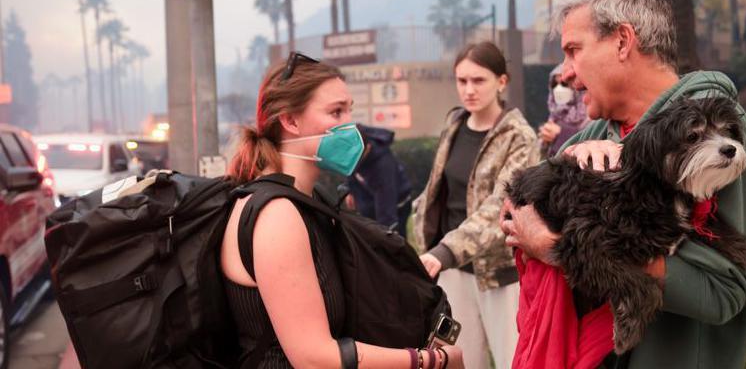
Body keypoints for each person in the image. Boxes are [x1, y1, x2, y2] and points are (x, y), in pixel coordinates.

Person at [500, 0, 746, 368]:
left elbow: (735, 287)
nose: (565, 73)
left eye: (573, 49)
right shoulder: (594, 133)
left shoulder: (713, 128)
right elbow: (514, 211)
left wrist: (561, 249)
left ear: (623, 41)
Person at [222, 52, 463, 368]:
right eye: (336, 112)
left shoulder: (308, 200)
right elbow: (314, 358)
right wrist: (431, 361)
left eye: (350, 110)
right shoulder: (277, 215)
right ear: (290, 120)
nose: (350, 125)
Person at [412, 42, 540, 369]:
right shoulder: (454, 124)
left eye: (478, 80)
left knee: (516, 360)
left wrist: (443, 252)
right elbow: (435, 192)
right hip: (452, 271)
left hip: (499, 273)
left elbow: (501, 208)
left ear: (502, 81)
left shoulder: (519, 137)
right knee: (460, 362)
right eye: (462, 81)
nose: (469, 90)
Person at [344, 124, 413, 237]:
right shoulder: (356, 145)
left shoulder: (383, 167)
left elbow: (387, 213)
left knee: (392, 238)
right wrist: (350, 190)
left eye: (357, 158)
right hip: (370, 196)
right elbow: (351, 169)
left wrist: (385, 237)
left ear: (368, 148)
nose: (354, 161)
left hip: (397, 204)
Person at [538, 63, 589, 158]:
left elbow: (589, 142)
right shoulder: (554, 116)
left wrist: (560, 134)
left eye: (564, 84)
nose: (558, 89)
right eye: (554, 85)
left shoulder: (591, 115)